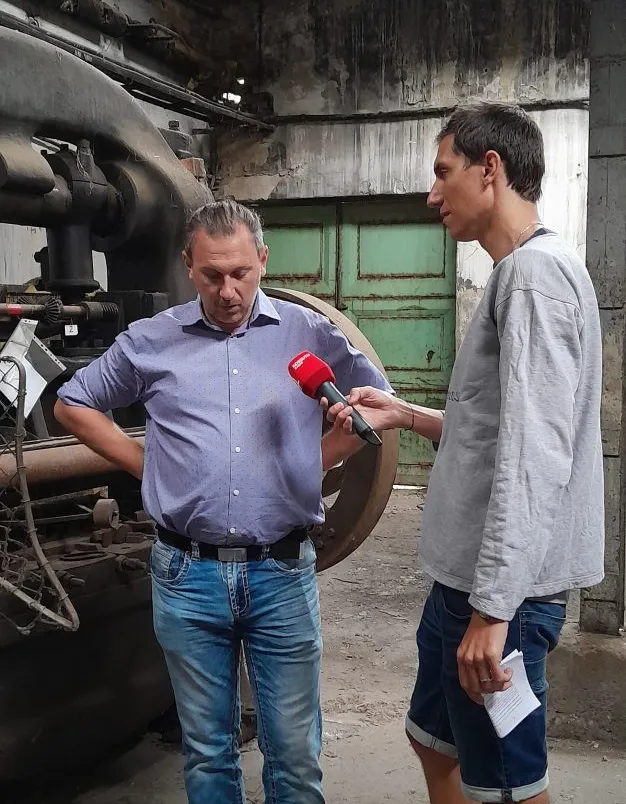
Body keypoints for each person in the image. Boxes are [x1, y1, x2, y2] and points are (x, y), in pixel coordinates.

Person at [54, 200, 391, 804]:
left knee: (294, 753)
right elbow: (72, 402)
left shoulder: (307, 333)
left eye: (241, 272)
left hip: (281, 573)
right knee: (208, 752)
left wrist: (316, 458)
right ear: (189, 265)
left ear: (263, 260)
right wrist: (144, 463)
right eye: (212, 275)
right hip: (186, 575)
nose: (228, 291)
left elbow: (378, 405)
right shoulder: (151, 340)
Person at [325, 102, 604, 804]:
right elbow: (497, 430)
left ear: (490, 169)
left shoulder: (534, 278)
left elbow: (534, 456)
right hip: (465, 584)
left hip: (500, 593)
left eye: (442, 172)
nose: (432, 194)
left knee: (508, 785)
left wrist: (494, 610)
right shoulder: (521, 272)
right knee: (432, 738)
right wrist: (405, 414)